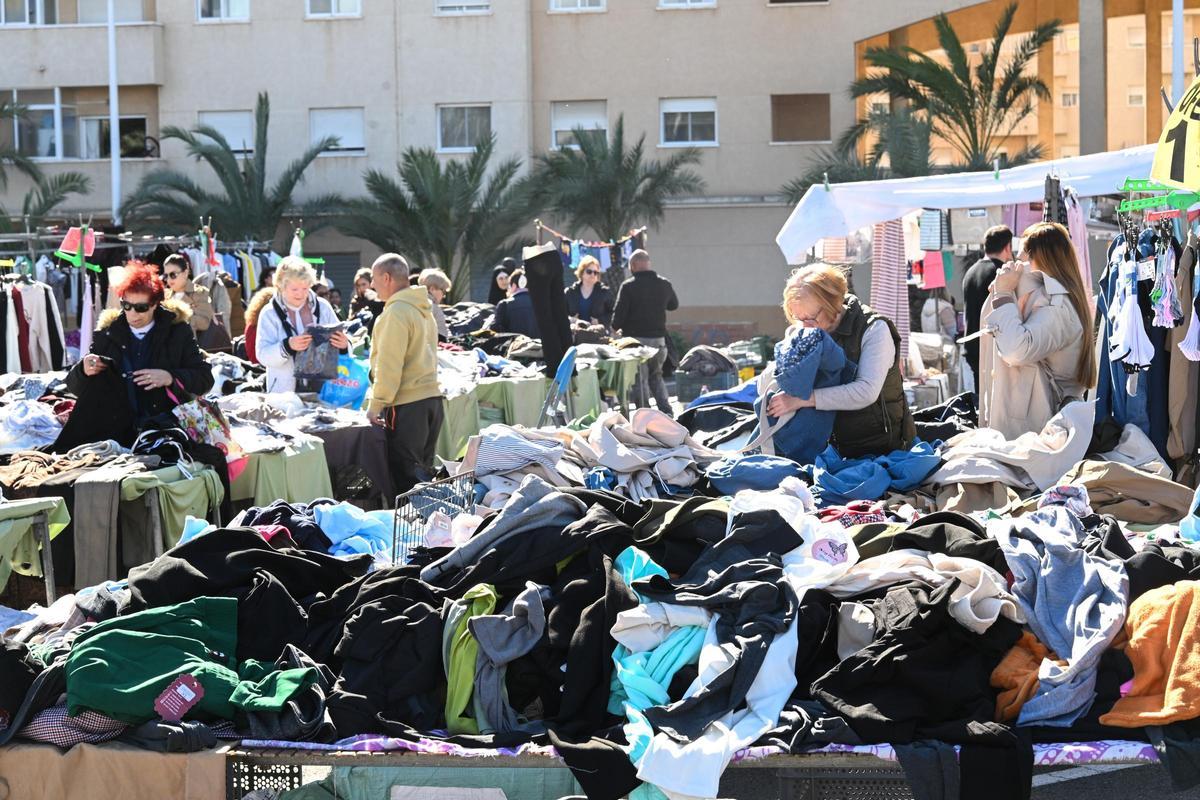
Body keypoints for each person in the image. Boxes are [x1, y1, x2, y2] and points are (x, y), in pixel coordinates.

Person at [767, 263, 915, 457]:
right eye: (797, 318)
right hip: (831, 448)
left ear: (832, 305)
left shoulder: (874, 329)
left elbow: (865, 391)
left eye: (810, 318)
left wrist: (802, 400)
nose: (805, 326)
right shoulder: (804, 328)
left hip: (880, 447)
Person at [66, 261, 213, 444]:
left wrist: (170, 377)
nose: (133, 313)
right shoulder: (107, 333)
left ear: (155, 304)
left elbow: (205, 379)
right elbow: (75, 390)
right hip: (115, 437)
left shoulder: (178, 332)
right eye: (126, 305)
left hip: (167, 433)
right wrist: (83, 370)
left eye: (141, 307)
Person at [978, 221, 1097, 439]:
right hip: (1041, 428)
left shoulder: (1057, 307)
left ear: (1039, 261)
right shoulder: (1050, 300)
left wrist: (1004, 294)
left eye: (1022, 259)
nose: (1016, 266)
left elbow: (1016, 350)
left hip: (1046, 431)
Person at [366, 253, 443, 493]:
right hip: (431, 401)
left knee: (408, 486)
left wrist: (375, 404)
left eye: (374, 279)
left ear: (386, 278)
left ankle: (418, 529)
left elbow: (389, 365)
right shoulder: (423, 309)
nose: (372, 285)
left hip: (408, 405)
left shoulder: (396, 312)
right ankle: (431, 529)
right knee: (424, 480)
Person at [255, 256, 349, 393]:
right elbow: (262, 355)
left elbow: (344, 343)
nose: (300, 294)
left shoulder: (323, 307)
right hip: (284, 394)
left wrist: (344, 345)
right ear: (281, 286)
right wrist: (288, 346)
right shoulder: (269, 313)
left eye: (305, 288)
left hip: (324, 390)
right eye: (294, 289)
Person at [612, 249, 678, 414]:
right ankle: (667, 411)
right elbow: (673, 305)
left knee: (638, 380)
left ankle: (644, 414)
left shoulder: (628, 287)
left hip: (635, 343)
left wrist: (614, 329)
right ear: (648, 264)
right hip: (658, 341)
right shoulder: (664, 284)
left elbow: (617, 320)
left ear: (633, 266)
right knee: (656, 376)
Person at [962, 225, 1014, 385]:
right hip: (992, 350)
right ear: (1007, 247)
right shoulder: (1000, 273)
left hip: (972, 347)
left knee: (981, 401)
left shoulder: (970, 271)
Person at [160, 253, 215, 335]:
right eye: (166, 276)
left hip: (188, 343)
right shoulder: (165, 295)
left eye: (173, 275)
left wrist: (179, 317)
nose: (169, 279)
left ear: (185, 273)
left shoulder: (199, 293)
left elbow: (205, 323)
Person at [564, 255, 615, 327]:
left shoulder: (604, 292)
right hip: (574, 333)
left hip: (597, 334)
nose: (593, 274)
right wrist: (571, 320)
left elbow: (613, 313)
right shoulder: (570, 292)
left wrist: (600, 321)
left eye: (595, 272)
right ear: (581, 272)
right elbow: (559, 314)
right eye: (589, 271)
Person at [493, 268, 540, 338]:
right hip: (539, 347)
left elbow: (496, 331)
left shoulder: (504, 305)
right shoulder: (541, 304)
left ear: (514, 286)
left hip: (515, 347)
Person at [418, 268, 452, 340]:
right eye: (443, 291)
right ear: (432, 289)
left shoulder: (415, 302)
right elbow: (440, 336)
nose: (443, 296)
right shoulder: (433, 308)